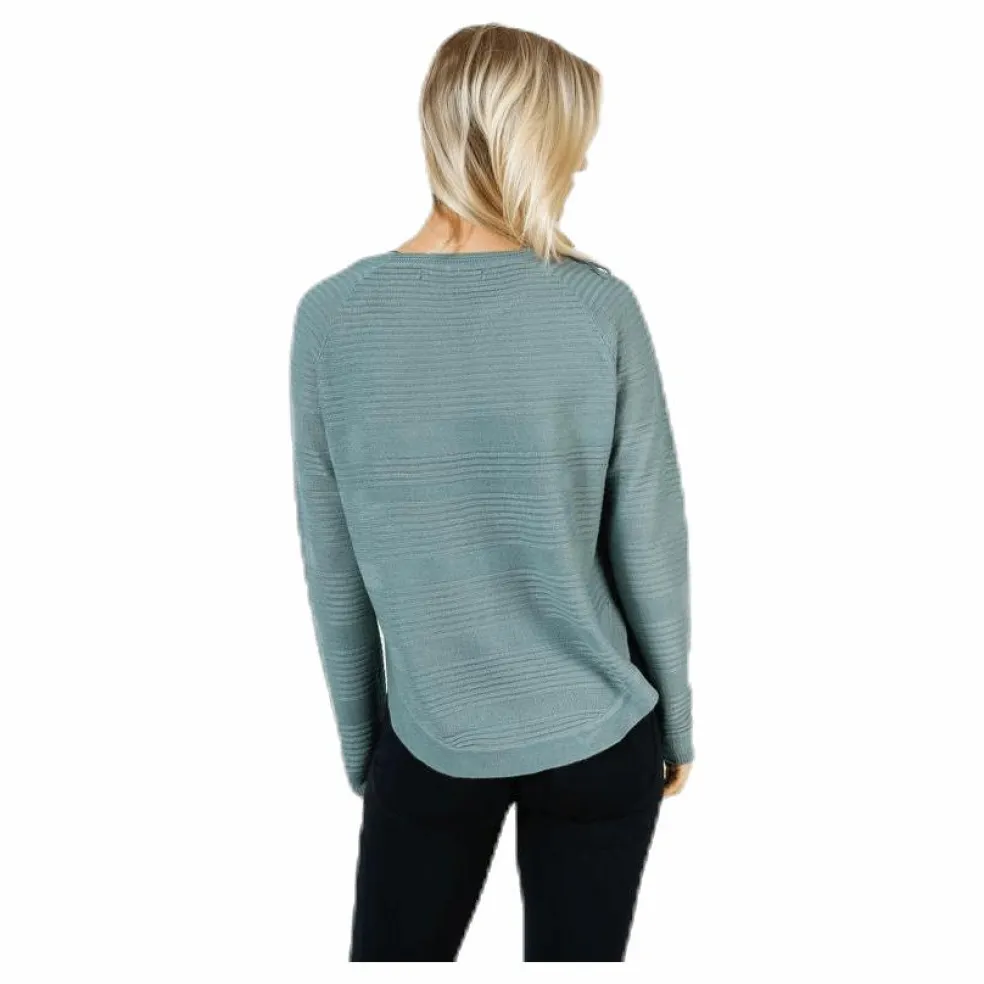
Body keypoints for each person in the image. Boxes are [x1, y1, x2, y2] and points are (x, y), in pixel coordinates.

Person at [288, 23, 695, 962]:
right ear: (529, 138)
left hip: (430, 737)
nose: (583, 162)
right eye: (574, 140)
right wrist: (675, 717)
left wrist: (362, 740)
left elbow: (332, 562)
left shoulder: (332, 318)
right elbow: (650, 539)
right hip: (602, 735)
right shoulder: (597, 306)